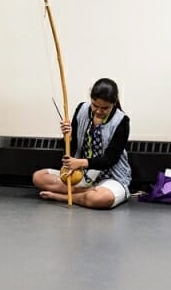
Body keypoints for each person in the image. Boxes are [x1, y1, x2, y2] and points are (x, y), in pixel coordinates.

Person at [31, 78, 132, 209]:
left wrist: (80, 163)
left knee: (102, 198)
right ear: (91, 99)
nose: (98, 111)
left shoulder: (122, 121)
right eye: (95, 105)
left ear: (114, 103)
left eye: (105, 108)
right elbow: (71, 151)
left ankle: (64, 196)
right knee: (39, 177)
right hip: (82, 174)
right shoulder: (82, 110)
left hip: (110, 177)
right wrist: (68, 137)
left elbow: (110, 160)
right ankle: (86, 193)